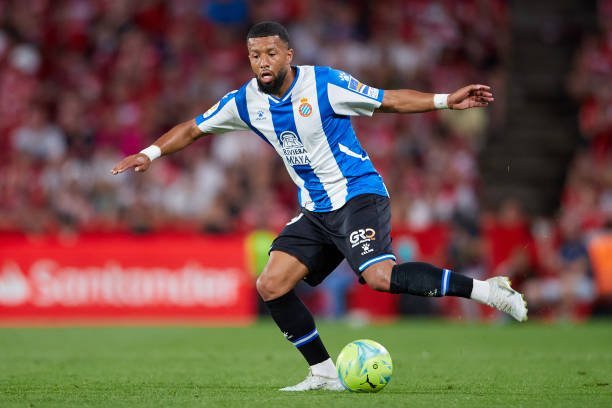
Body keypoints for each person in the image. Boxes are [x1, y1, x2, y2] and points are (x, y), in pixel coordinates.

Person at [111, 21, 528, 392]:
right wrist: (150, 153)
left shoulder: (325, 84)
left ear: (289, 55)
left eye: (271, 53)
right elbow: (193, 128)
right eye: (255, 55)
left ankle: (489, 290)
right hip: (316, 209)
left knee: (380, 277)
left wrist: (445, 100)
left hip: (358, 194)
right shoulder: (246, 101)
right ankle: (324, 374)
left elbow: (388, 100)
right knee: (271, 285)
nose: (263, 62)